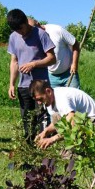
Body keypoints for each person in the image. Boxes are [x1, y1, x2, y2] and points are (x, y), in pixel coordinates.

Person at [7, 9, 56, 142]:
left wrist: (34, 64)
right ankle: (29, 150)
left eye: (21, 29)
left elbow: (52, 58)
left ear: (25, 22)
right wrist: (12, 83)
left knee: (41, 119)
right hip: (23, 86)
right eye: (16, 31)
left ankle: (43, 149)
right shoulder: (13, 37)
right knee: (27, 121)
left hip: (40, 86)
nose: (20, 33)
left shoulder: (41, 34)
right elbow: (14, 61)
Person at [29, 79, 95, 150]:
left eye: (40, 99)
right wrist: (45, 132)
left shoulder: (62, 98)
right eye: (37, 100)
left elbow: (72, 126)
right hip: (83, 121)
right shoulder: (49, 100)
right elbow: (57, 123)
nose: (39, 103)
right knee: (58, 119)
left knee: (71, 151)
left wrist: (52, 139)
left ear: (48, 91)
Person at [28, 18, 81, 88]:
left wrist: (74, 64)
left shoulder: (57, 30)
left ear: (38, 24)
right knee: (55, 98)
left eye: (34, 30)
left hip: (69, 73)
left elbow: (75, 44)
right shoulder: (33, 39)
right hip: (51, 76)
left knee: (74, 96)